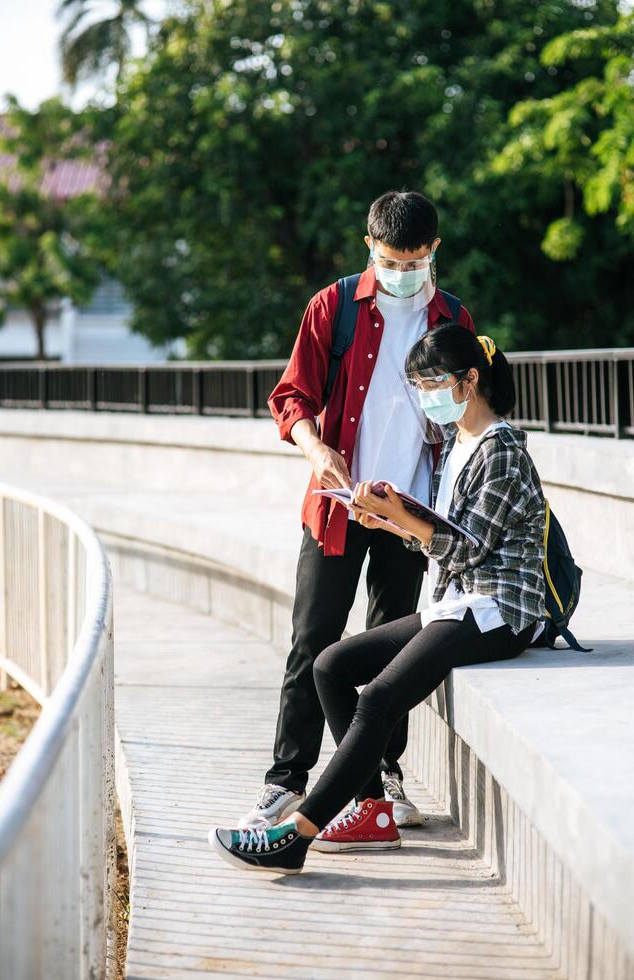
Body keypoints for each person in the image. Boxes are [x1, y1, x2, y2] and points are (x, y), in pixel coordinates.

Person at [209, 325, 547, 873]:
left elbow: (471, 551)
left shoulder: (501, 448)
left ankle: (296, 834)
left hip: (498, 609)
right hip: (455, 603)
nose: (425, 394)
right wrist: (386, 521)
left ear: (470, 380)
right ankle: (372, 809)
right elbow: (440, 538)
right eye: (417, 384)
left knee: (378, 698)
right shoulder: (456, 444)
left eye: (433, 381)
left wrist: (399, 519)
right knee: (330, 665)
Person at [238, 191, 475, 830]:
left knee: (387, 651)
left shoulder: (451, 317)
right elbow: (291, 394)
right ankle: (286, 779)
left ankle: (384, 778)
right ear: (369, 245)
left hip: (409, 516)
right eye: (394, 260)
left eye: (417, 260)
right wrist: (316, 451)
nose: (405, 273)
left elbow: (465, 415)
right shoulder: (335, 306)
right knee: (311, 641)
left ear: (435, 253)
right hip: (337, 505)